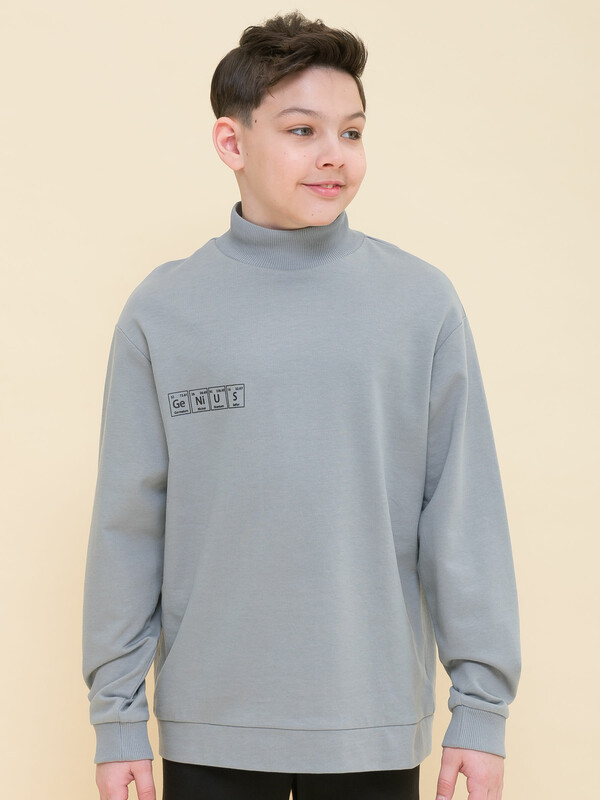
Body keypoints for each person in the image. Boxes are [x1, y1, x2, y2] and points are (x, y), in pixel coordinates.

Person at [82, 11, 521, 800]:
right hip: (210, 722)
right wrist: (117, 721)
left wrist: (481, 711)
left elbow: (464, 515)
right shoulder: (163, 312)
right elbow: (129, 526)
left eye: (352, 132)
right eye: (302, 130)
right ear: (232, 143)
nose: (333, 155)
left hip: (371, 722)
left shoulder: (420, 304)